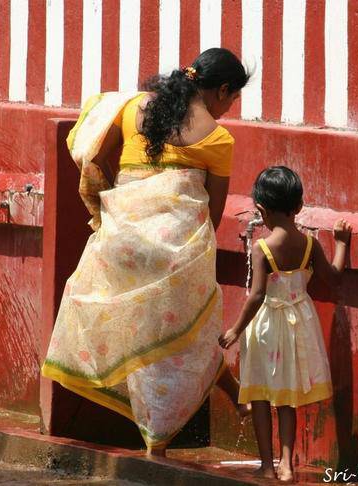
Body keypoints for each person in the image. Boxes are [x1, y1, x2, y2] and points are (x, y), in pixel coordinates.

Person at [42, 48, 250, 457]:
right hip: (174, 251)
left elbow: (95, 157)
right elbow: (213, 211)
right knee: (189, 333)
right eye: (231, 100)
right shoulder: (217, 137)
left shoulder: (130, 107)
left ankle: (222, 397)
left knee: (144, 333)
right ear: (222, 90)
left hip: (124, 243)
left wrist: (115, 210)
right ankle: (159, 440)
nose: (228, 110)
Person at [219, 166, 352, 481]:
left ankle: (267, 465)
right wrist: (343, 243)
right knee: (287, 397)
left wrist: (235, 330)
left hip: (266, 327)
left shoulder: (262, 247)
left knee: (261, 397)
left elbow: (257, 296)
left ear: (261, 210)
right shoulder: (309, 245)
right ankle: (287, 464)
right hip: (298, 325)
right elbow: (332, 276)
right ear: (299, 207)